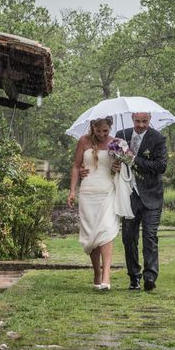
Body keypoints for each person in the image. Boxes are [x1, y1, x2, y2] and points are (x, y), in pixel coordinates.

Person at [115, 112, 167, 291]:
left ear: (149, 120)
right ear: (132, 119)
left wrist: (133, 159)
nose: (141, 125)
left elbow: (161, 166)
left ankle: (150, 277)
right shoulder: (121, 135)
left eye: (144, 121)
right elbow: (113, 159)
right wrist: (117, 162)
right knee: (128, 238)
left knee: (150, 237)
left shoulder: (158, 138)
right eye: (138, 121)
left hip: (152, 195)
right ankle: (134, 277)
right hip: (128, 194)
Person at [68, 117, 118, 291]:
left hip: (107, 192)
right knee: (91, 236)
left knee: (106, 230)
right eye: (99, 131)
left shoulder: (115, 143)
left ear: (110, 128)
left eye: (106, 131)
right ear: (93, 128)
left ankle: (106, 275)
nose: (103, 134)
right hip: (88, 192)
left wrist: (118, 166)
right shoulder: (83, 141)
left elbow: (118, 169)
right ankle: (97, 272)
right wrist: (72, 191)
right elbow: (75, 166)